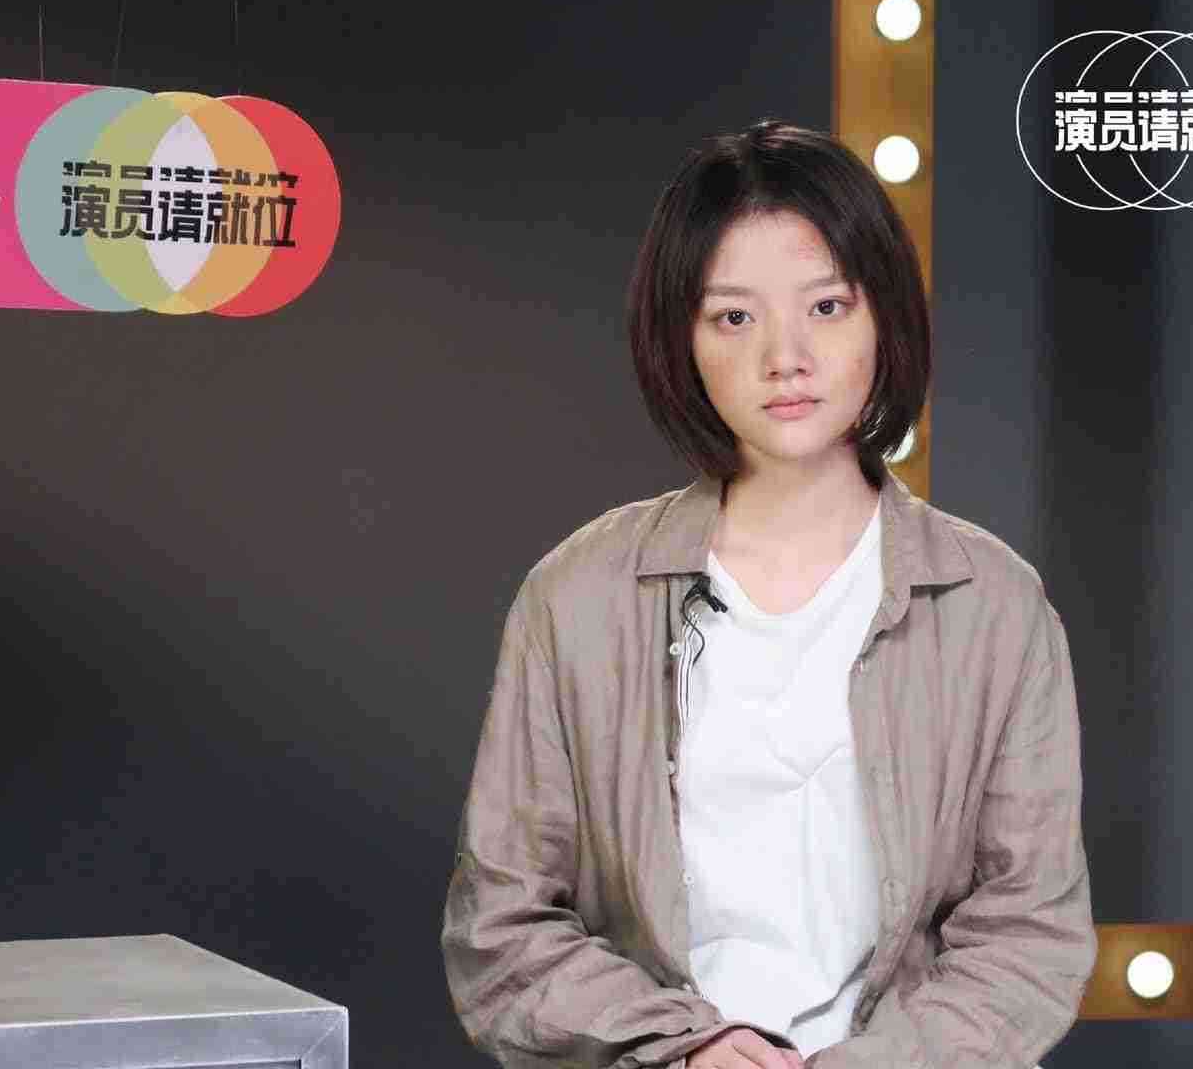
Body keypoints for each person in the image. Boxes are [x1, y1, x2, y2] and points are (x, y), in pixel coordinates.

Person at [441, 120, 1096, 1069]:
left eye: (826, 307)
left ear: (885, 318)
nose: (786, 357)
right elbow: (499, 929)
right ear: (681, 341)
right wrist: (686, 1048)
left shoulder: (993, 605)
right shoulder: (577, 596)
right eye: (734, 318)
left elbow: (1028, 937)